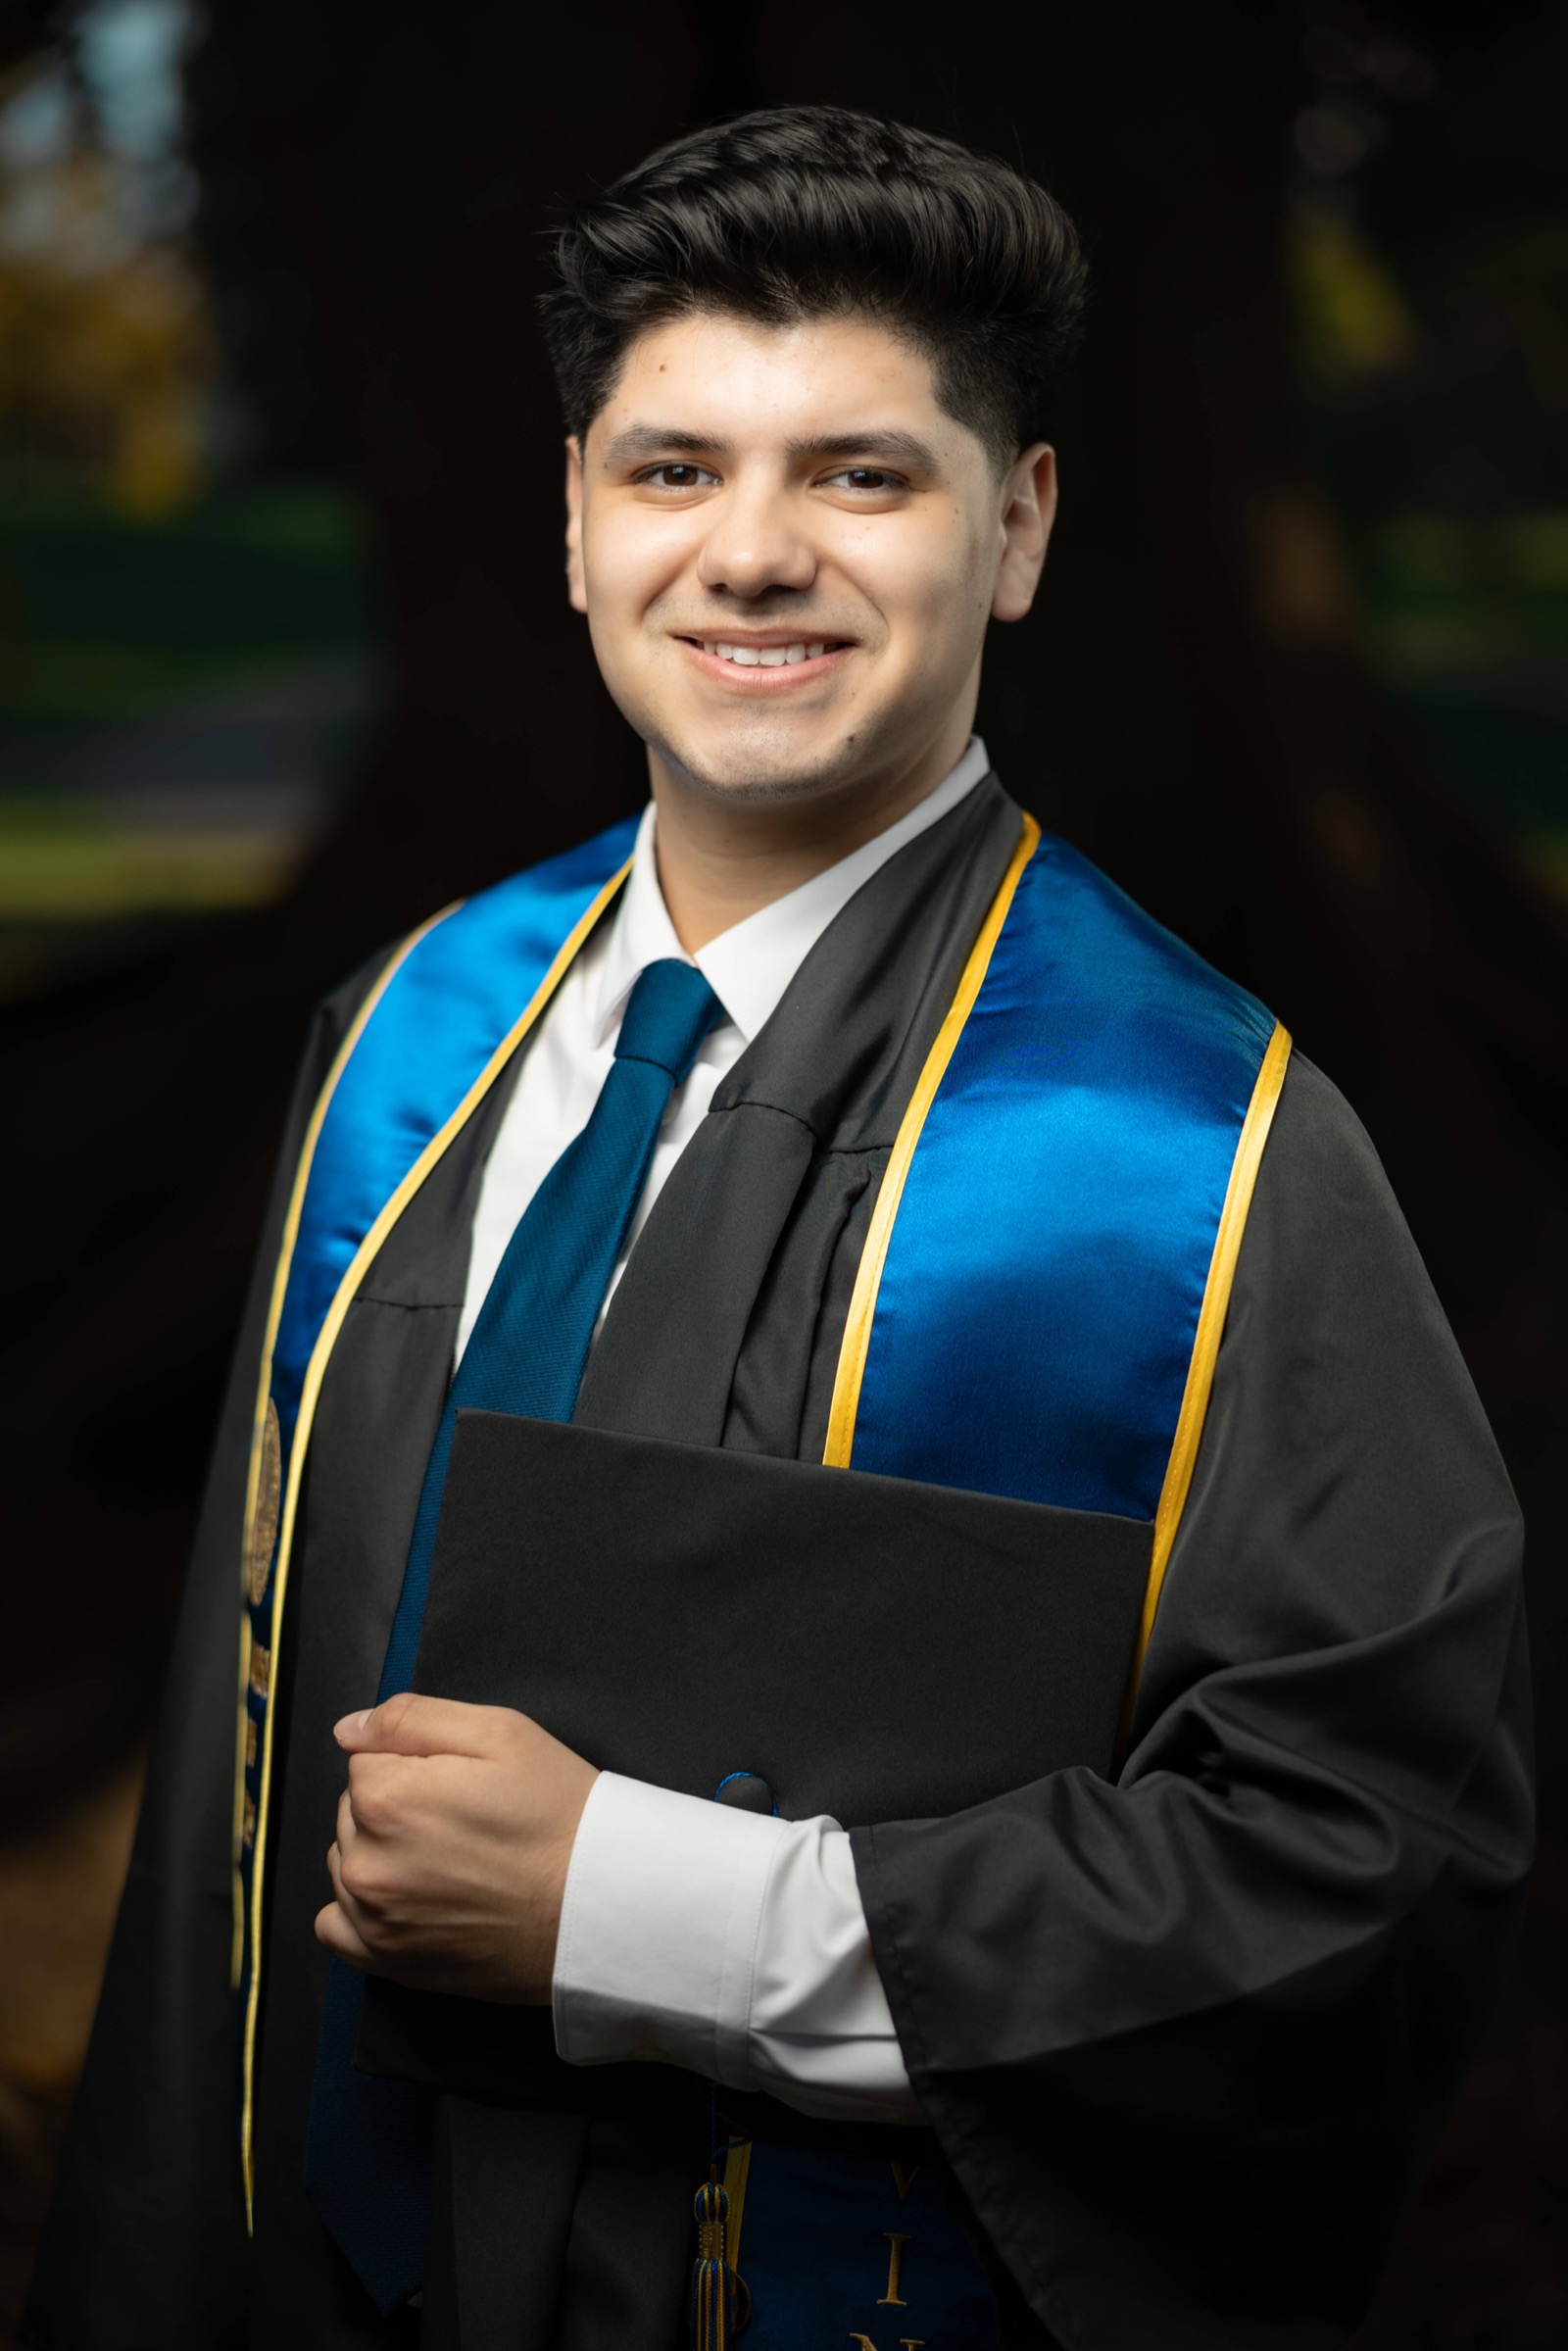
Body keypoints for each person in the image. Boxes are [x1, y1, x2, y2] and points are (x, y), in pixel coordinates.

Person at [24, 105, 1532, 2351]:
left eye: (858, 473)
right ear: (568, 522)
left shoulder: (1193, 1160)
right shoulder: (410, 1041)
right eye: (668, 469)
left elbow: (1358, 1868)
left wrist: (650, 1906)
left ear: (1013, 529)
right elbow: (229, 1793)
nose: (748, 554)